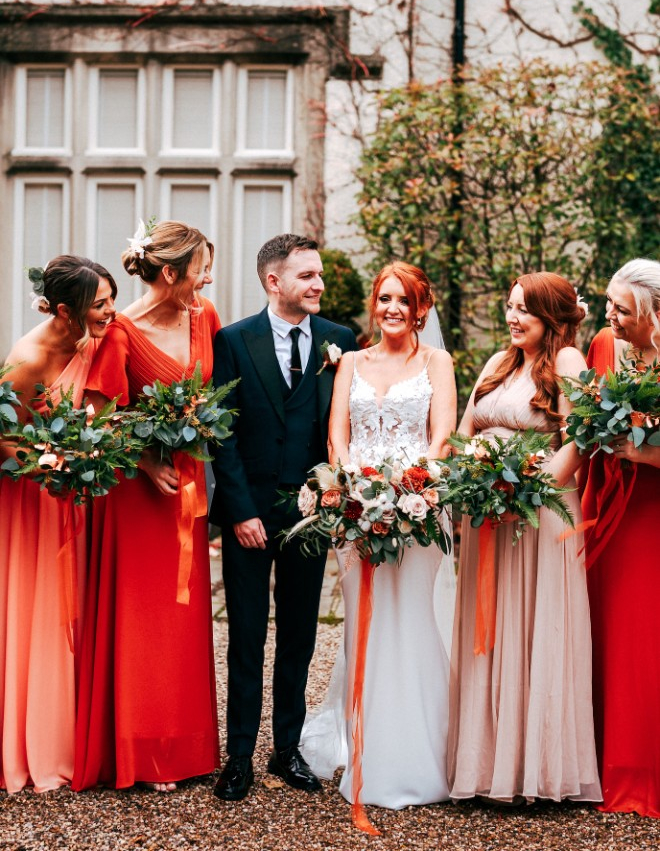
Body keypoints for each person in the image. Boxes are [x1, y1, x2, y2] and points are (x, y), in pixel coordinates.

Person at [305, 263, 457, 820]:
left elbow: (441, 436)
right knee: (364, 627)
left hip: (419, 511)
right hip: (357, 511)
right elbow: (337, 435)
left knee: (410, 620)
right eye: (385, 297)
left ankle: (418, 758)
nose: (392, 308)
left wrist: (406, 490)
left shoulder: (436, 362)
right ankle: (367, 753)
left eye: (404, 300)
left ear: (422, 308)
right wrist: (356, 491)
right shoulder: (350, 361)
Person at [73, 221, 220, 792]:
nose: (206, 277)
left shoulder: (204, 316)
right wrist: (143, 461)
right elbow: (98, 417)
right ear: (168, 273)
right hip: (137, 495)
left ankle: (181, 744)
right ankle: (139, 748)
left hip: (186, 486)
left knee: (185, 617)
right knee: (145, 618)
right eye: (199, 267)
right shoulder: (121, 333)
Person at [209, 234, 357, 801]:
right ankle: (240, 756)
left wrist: (333, 500)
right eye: (307, 276)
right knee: (246, 637)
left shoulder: (338, 341)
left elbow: (339, 427)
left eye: (318, 275)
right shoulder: (233, 340)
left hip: (311, 518)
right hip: (250, 516)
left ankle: (286, 751)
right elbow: (222, 431)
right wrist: (240, 512)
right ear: (274, 282)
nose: (318, 285)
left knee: (298, 639)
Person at [447, 272, 602, 804]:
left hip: (541, 515)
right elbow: (464, 431)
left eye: (525, 312)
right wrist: (464, 478)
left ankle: (533, 770)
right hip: (488, 515)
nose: (512, 319)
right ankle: (487, 765)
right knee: (489, 635)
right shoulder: (497, 362)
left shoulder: (568, 364)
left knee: (535, 632)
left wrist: (529, 493)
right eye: (509, 308)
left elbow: (582, 438)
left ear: (552, 318)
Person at [0, 256, 116, 793]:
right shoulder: (26, 358)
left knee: (85, 611)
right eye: (100, 305)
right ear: (65, 311)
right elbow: (3, 436)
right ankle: (42, 744)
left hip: (84, 494)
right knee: (45, 613)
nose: (110, 313)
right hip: (35, 499)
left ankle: (87, 734)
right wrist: (54, 466)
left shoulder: (94, 341)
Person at [581, 258, 660, 817]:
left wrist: (648, 452)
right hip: (605, 504)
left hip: (651, 515)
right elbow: (583, 423)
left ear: (655, 315)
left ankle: (639, 769)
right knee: (602, 628)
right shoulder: (605, 349)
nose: (611, 314)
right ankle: (595, 761)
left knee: (641, 635)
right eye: (609, 302)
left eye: (623, 309)